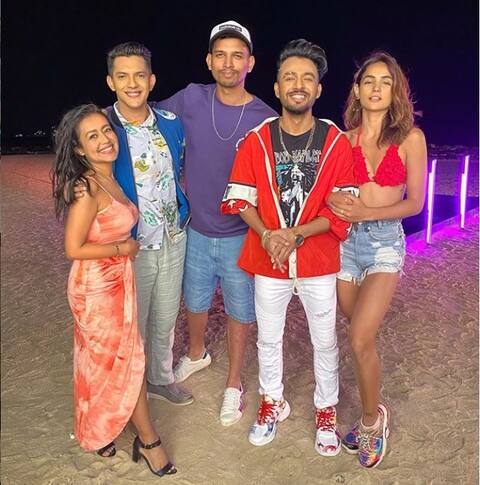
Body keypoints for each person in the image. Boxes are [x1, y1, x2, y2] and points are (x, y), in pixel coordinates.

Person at [221, 39, 355, 454]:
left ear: (318, 89)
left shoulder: (335, 141)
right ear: (277, 87)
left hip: (317, 259)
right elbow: (240, 198)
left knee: (325, 340)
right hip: (269, 259)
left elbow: (342, 208)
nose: (298, 84)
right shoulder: (257, 139)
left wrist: (295, 234)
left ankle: (326, 412)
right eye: (290, 77)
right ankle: (271, 403)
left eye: (307, 78)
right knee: (269, 338)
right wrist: (267, 234)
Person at [155, 21, 277, 426]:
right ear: (209, 61)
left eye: (237, 56)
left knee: (241, 310)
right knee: (195, 302)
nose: (228, 63)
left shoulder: (265, 118)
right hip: (196, 228)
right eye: (220, 55)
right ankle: (196, 354)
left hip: (242, 234)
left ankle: (234, 384)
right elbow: (146, 118)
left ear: (250, 63)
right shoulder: (191, 98)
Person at [52, 104, 177, 477]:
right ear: (79, 149)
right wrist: (123, 248)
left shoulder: (108, 177)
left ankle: (98, 431)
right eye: (92, 136)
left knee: (101, 362)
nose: (105, 139)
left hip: (118, 281)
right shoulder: (86, 186)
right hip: (97, 289)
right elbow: (73, 248)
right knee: (127, 362)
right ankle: (149, 441)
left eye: (106, 130)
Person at [74, 42, 193, 405]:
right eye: (122, 76)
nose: (132, 83)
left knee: (166, 317)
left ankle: (160, 378)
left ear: (151, 80)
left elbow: (179, 169)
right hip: (132, 244)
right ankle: (131, 391)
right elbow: (82, 172)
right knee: (131, 324)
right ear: (111, 82)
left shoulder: (170, 124)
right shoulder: (104, 128)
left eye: (139, 75)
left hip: (173, 236)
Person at [328, 52, 427, 468]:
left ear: (395, 91)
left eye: (386, 81)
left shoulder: (410, 138)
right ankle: (374, 406)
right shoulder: (341, 139)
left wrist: (366, 213)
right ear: (357, 89)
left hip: (385, 244)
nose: (376, 88)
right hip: (344, 245)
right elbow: (328, 192)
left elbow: (415, 203)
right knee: (359, 335)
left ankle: (372, 421)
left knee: (358, 338)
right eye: (369, 80)